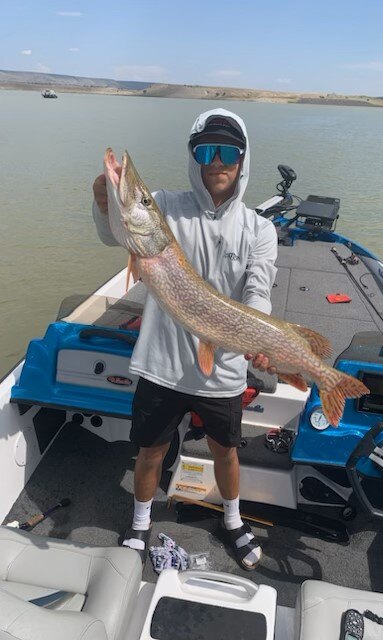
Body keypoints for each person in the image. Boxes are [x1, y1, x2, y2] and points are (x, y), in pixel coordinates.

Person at [92, 108, 278, 571]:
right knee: (151, 449)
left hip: (224, 369)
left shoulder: (259, 228)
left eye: (228, 152)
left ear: (242, 159)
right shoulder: (163, 206)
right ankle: (140, 522)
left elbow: (258, 290)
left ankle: (232, 520)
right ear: (194, 157)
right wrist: (104, 203)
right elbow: (117, 233)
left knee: (226, 451)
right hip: (161, 362)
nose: (217, 162)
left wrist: (259, 334)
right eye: (206, 151)